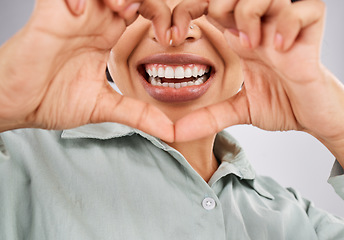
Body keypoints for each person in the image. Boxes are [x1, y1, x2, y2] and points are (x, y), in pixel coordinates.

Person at [0, 0, 344, 239]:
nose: (175, 34)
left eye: (208, 5)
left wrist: (339, 129)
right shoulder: (14, 163)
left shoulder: (298, 219)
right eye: (142, 5)